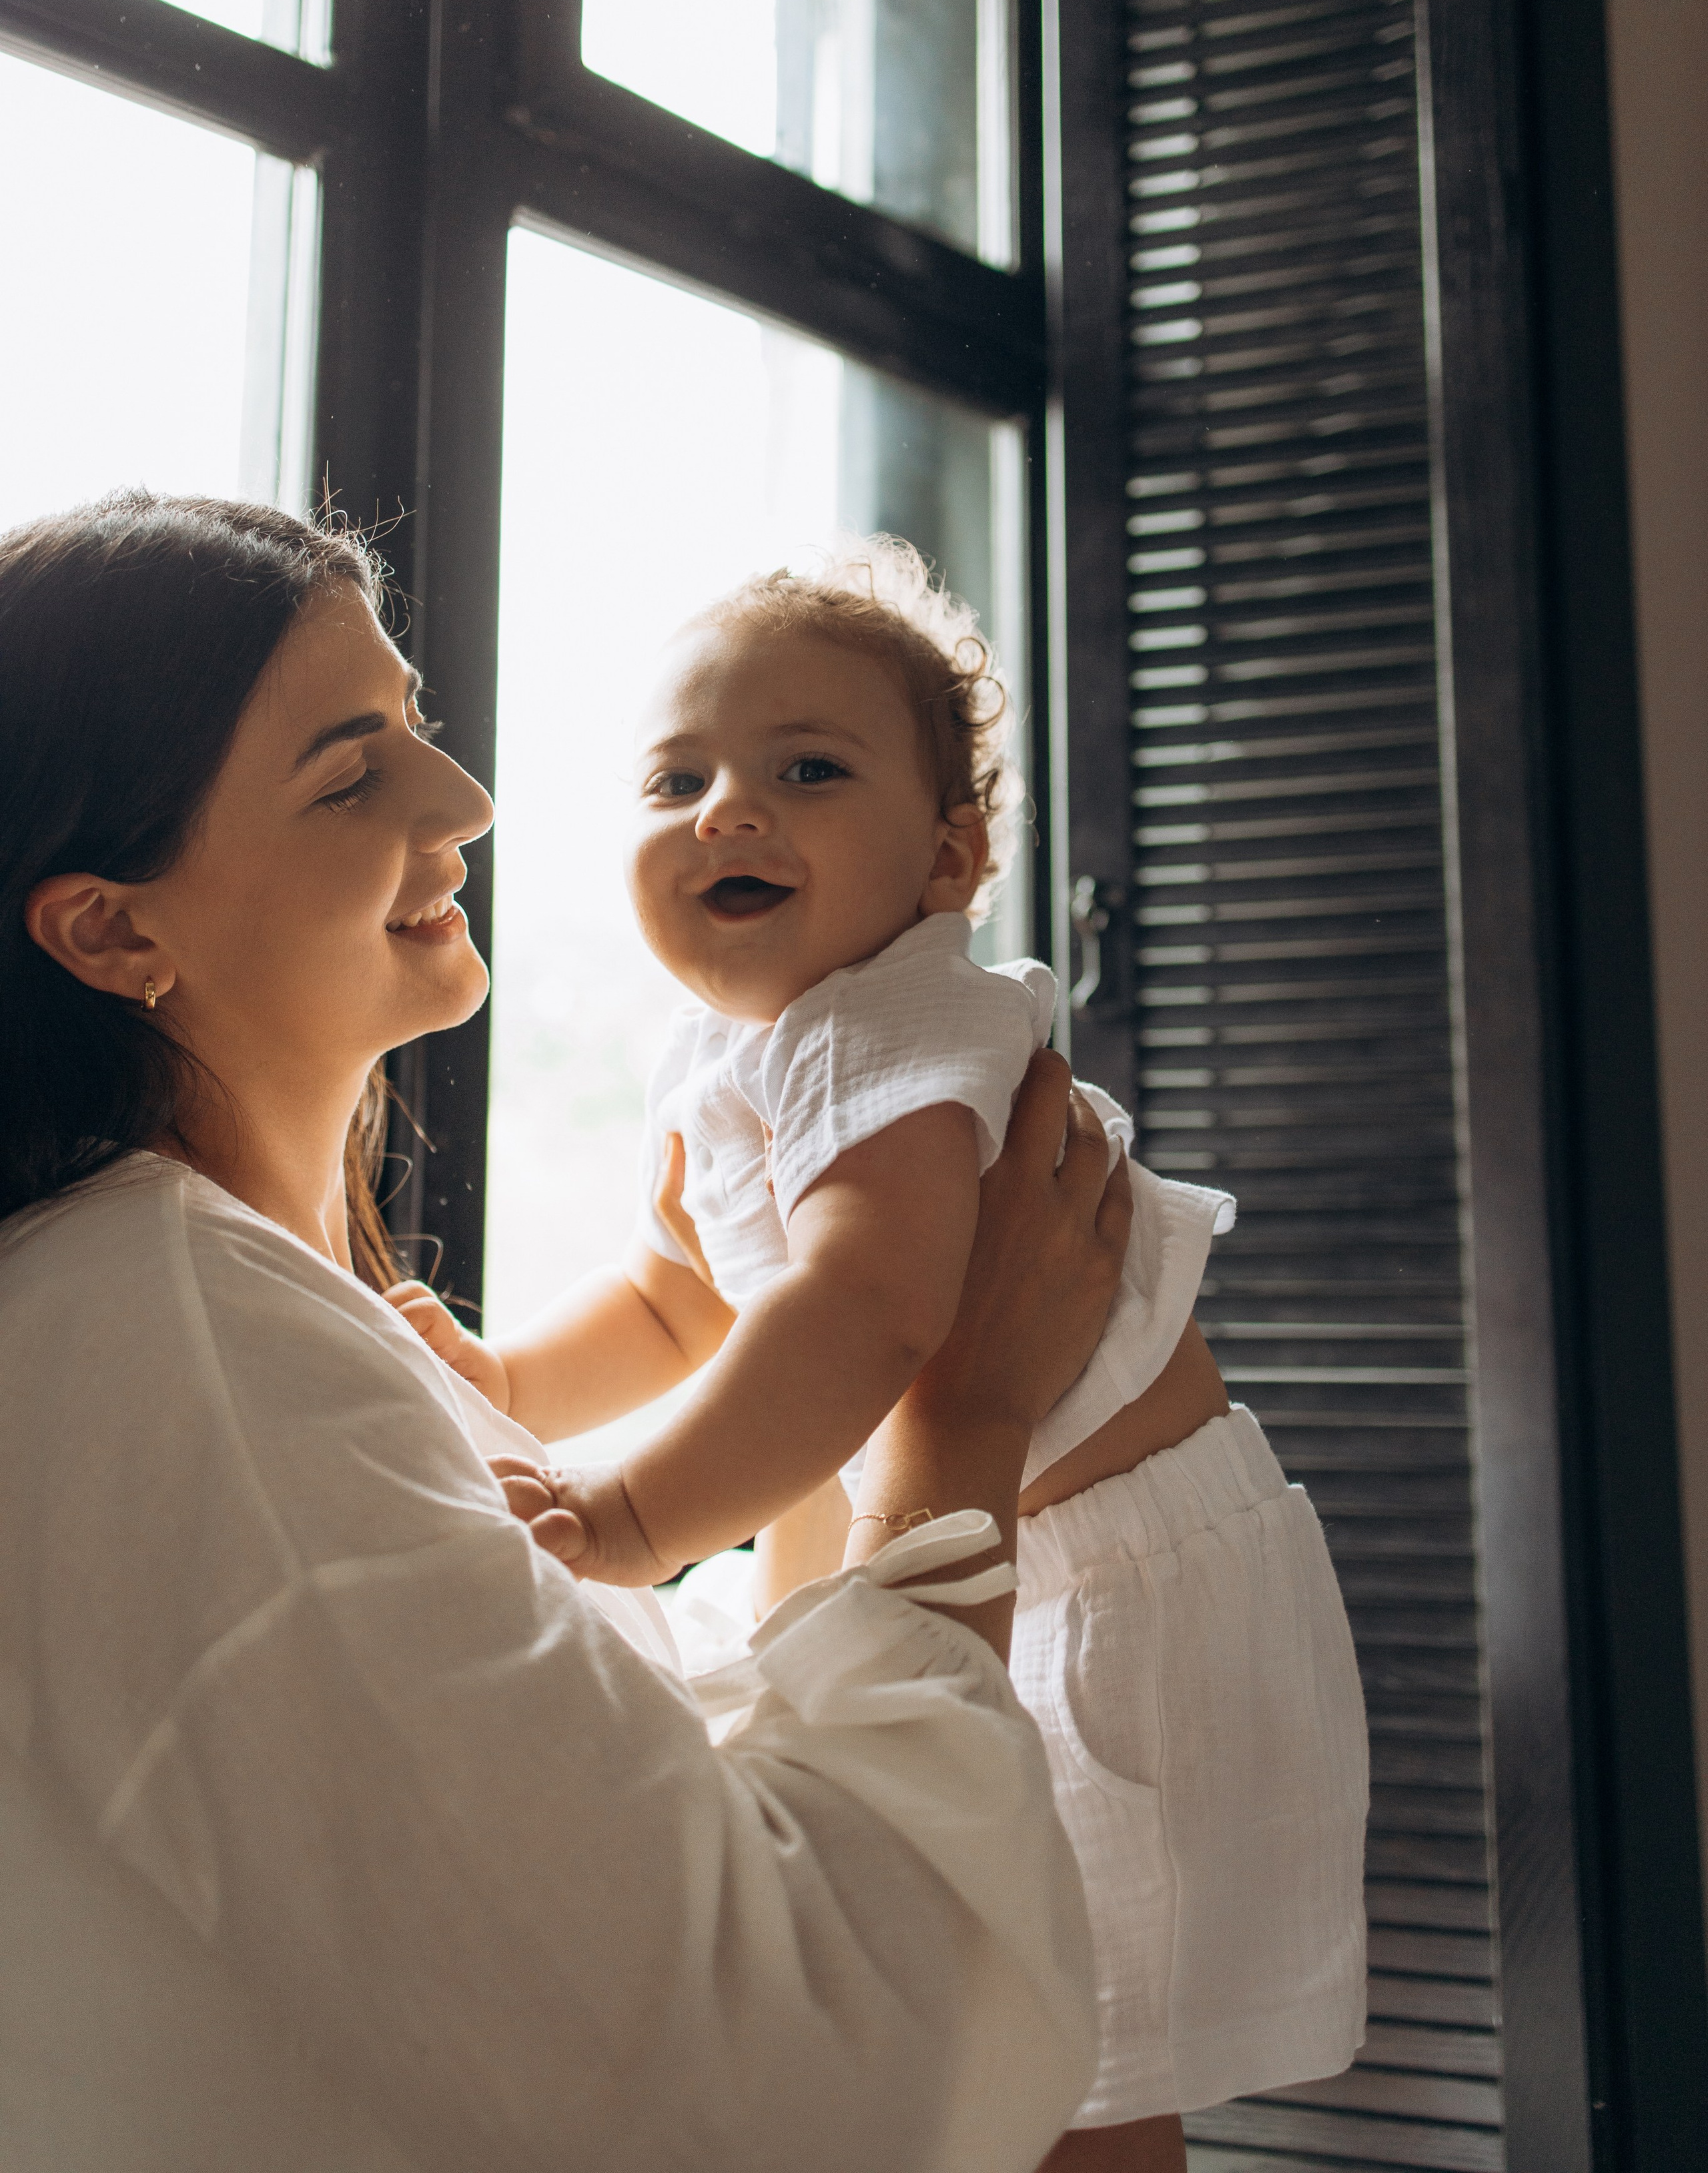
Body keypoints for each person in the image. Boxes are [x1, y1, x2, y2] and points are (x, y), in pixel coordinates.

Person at [0, 491, 1134, 2173]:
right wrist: (955, 1434)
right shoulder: (182, 1364)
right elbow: (777, 2080)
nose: (463, 801)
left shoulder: (248, 1327)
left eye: (416, 728)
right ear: (114, 928)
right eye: (349, 770)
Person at [401, 542, 1370, 2173]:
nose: (726, 809)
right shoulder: (728, 1050)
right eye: (675, 776)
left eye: (806, 769)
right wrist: (507, 1389)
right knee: (1004, 2037)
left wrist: (635, 1517)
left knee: (1069, 2055)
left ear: (948, 855)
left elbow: (864, 1315)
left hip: (1104, 1591)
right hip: (998, 1552)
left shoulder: (906, 1024)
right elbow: (674, 1298)